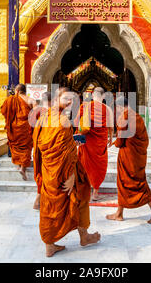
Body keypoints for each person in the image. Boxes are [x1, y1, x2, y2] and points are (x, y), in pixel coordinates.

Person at [33, 87, 101, 257]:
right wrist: (70, 177)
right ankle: (84, 236)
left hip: (49, 172)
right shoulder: (62, 120)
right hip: (64, 173)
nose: (71, 102)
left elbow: (40, 145)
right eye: (67, 99)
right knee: (81, 198)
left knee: (51, 206)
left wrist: (70, 143)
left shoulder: (45, 117)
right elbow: (66, 154)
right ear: (57, 98)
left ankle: (50, 244)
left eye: (73, 99)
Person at [106, 97, 151, 224]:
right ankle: (120, 212)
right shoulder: (138, 117)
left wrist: (116, 142)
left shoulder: (123, 118)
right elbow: (143, 138)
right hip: (138, 157)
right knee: (139, 182)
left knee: (124, 183)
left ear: (119, 107)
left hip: (128, 157)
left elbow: (120, 142)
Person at [74, 87, 114, 201]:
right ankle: (95, 191)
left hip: (86, 141)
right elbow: (110, 127)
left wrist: (77, 134)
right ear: (104, 96)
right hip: (100, 143)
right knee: (98, 166)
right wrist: (110, 139)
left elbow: (77, 122)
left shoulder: (84, 107)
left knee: (84, 164)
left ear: (92, 96)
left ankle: (84, 189)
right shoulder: (107, 109)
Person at [0, 84, 36, 180]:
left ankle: (19, 166)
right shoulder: (31, 100)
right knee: (26, 148)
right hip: (26, 128)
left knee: (16, 147)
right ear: (25, 91)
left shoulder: (10, 100)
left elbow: (3, 111)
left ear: (17, 91)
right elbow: (37, 114)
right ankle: (23, 168)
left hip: (14, 128)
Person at [30, 91, 52, 210]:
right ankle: (39, 199)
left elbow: (30, 128)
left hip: (38, 147)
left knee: (41, 172)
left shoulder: (36, 111)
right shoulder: (53, 114)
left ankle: (40, 198)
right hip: (49, 148)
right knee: (47, 174)